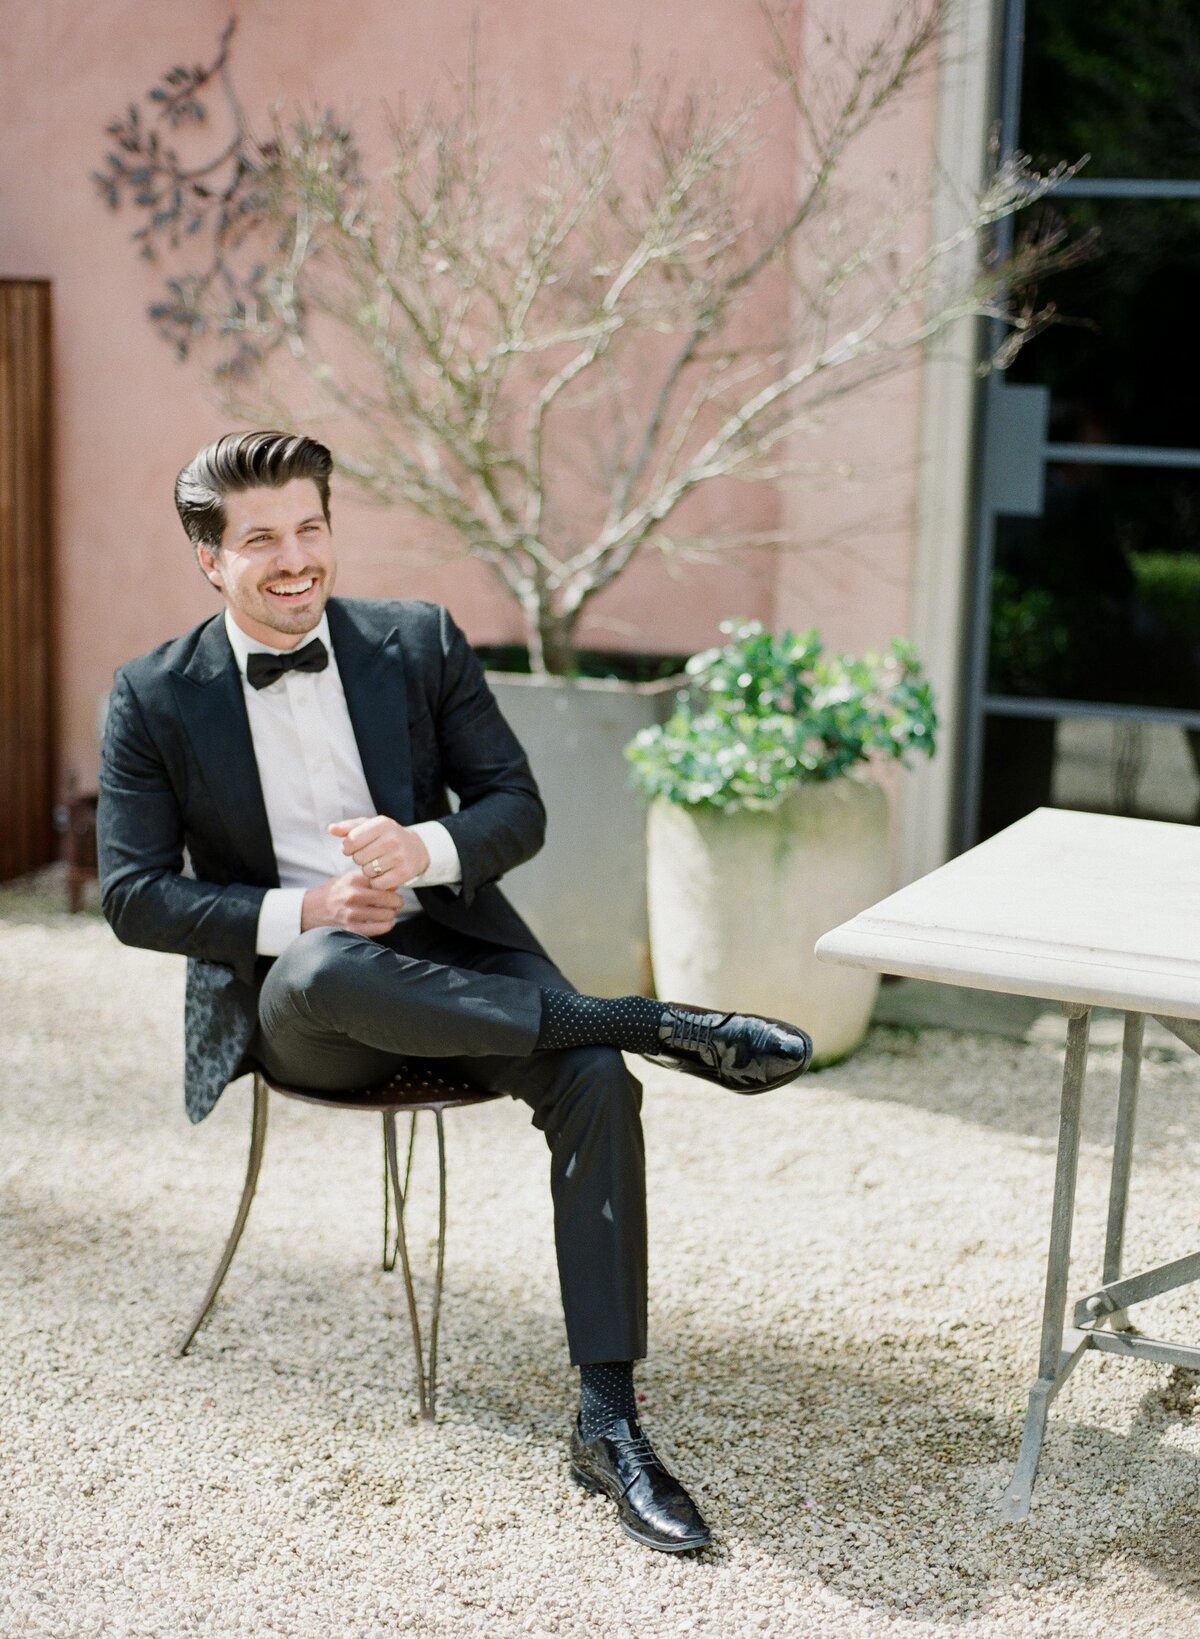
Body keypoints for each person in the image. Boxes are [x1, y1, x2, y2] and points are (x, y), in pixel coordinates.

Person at [97, 430, 813, 1555]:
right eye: (262, 540)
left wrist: (421, 850)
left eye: (311, 528)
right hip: (306, 1003)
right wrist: (307, 912)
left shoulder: (415, 640)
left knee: (591, 1080)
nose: (296, 560)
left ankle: (608, 1420)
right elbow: (133, 895)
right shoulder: (152, 696)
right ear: (210, 559)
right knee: (334, 965)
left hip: (461, 957)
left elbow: (514, 807)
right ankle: (649, 1017)